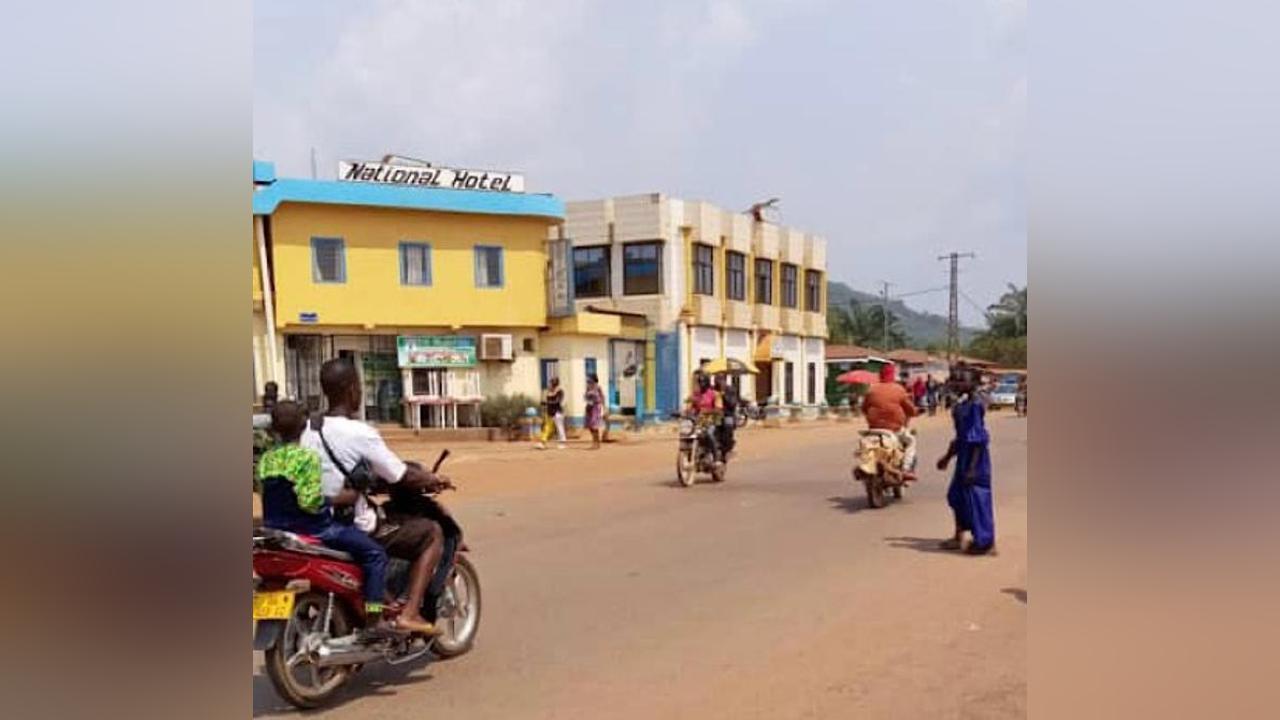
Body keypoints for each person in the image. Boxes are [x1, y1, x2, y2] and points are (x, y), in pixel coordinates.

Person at [303, 359, 451, 635]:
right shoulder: (361, 433)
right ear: (351, 390)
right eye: (358, 387)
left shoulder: (308, 430)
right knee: (431, 532)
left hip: (313, 521)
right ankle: (409, 613)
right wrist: (432, 478)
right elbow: (400, 475)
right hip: (351, 525)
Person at [258, 400, 393, 634]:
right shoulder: (306, 458)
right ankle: (374, 617)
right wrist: (338, 498)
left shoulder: (266, 460)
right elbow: (309, 502)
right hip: (314, 530)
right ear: (302, 426)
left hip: (277, 530)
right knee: (375, 554)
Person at [936, 369, 996, 554]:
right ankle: (958, 536)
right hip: (963, 455)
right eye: (956, 380)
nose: (956, 383)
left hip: (975, 459)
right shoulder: (961, 406)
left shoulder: (976, 406)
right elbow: (960, 438)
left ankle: (985, 542)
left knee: (977, 498)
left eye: (961, 380)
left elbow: (978, 439)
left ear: (973, 383)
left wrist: (971, 468)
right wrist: (947, 458)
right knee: (956, 496)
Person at [860, 363, 918, 481]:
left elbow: (864, 408)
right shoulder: (899, 390)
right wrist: (915, 411)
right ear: (893, 375)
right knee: (911, 441)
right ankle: (906, 469)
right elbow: (911, 410)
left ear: (880, 375)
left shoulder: (871, 390)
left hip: (873, 430)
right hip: (894, 430)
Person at [687, 371, 724, 465]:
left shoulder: (715, 394)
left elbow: (719, 409)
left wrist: (708, 411)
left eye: (703, 382)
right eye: (699, 382)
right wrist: (682, 412)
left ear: (707, 382)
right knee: (687, 434)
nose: (701, 384)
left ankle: (716, 458)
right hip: (698, 421)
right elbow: (689, 406)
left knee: (709, 433)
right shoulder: (695, 394)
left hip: (711, 420)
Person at [713, 374, 738, 459]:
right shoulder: (712, 390)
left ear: (724, 380)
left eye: (720, 379)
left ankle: (727, 448)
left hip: (727, 414)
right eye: (716, 379)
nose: (718, 381)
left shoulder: (730, 390)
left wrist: (724, 395)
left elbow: (732, 404)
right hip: (714, 414)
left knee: (728, 425)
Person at [538, 377, 567, 450]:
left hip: (557, 413)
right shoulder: (549, 391)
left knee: (559, 428)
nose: (549, 384)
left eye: (551, 382)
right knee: (547, 427)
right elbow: (547, 401)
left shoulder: (559, 391)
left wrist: (547, 403)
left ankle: (562, 443)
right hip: (549, 412)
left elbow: (558, 401)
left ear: (554, 383)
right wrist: (544, 404)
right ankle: (542, 442)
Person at [583, 373, 605, 450]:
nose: (588, 380)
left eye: (589, 378)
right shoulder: (588, 387)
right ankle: (595, 440)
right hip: (589, 407)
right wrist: (587, 399)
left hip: (596, 407)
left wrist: (604, 408)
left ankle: (596, 443)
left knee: (594, 425)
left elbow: (602, 397)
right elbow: (585, 396)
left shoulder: (598, 387)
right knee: (589, 426)